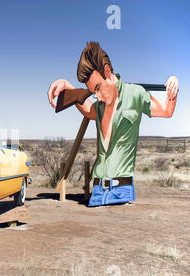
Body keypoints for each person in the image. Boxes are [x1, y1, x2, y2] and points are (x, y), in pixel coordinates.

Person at [47, 41, 179, 207]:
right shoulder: (99, 106)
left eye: (97, 87)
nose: (98, 96)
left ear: (107, 71)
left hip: (121, 191)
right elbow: (88, 110)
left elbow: (166, 111)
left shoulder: (135, 94)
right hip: (96, 192)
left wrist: (173, 85)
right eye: (92, 92)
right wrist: (67, 86)